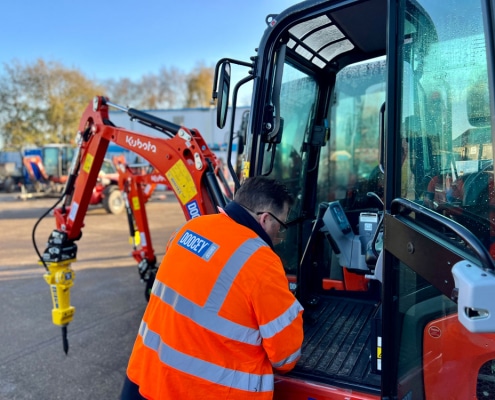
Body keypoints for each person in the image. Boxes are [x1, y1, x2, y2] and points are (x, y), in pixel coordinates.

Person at [121, 176, 304, 400]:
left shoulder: (187, 229)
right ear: (265, 219)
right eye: (281, 225)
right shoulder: (262, 262)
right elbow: (286, 357)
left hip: (143, 380)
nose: (279, 237)